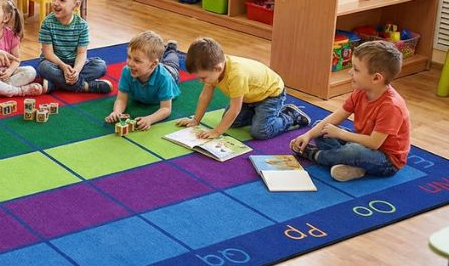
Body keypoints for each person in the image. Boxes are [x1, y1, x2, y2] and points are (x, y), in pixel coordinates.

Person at [290, 40, 411, 181]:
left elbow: (374, 143)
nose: (349, 72)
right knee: (322, 127)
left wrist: (341, 134)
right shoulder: (360, 91)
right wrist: (308, 135)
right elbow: (337, 116)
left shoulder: (391, 106)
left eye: (356, 69)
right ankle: (350, 165)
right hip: (361, 144)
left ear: (376, 78)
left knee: (353, 150)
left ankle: (317, 156)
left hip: (386, 161)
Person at [176, 36, 310, 140]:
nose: (200, 81)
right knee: (232, 123)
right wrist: (195, 120)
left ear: (218, 68)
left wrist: (217, 131)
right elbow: (205, 96)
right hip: (249, 96)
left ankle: (290, 115)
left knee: (260, 132)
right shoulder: (213, 70)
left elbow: (235, 109)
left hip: (270, 94)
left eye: (203, 78)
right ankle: (258, 113)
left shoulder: (236, 75)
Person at [36, 0, 112, 94]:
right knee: (43, 68)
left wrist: (76, 71)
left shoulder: (82, 26)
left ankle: (55, 84)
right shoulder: (47, 23)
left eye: (62, 0)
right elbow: (48, 53)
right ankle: (85, 86)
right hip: (55, 64)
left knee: (100, 66)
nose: (55, 3)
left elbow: (81, 53)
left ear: (76, 5)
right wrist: (62, 66)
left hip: (75, 64)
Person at [104, 31, 181, 130]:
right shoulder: (127, 71)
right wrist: (117, 111)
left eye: (137, 60)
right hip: (155, 68)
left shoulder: (164, 78)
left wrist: (149, 119)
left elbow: (166, 109)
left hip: (171, 73)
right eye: (129, 57)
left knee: (172, 62)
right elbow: (121, 99)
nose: (130, 63)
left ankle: (171, 49)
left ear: (153, 64)